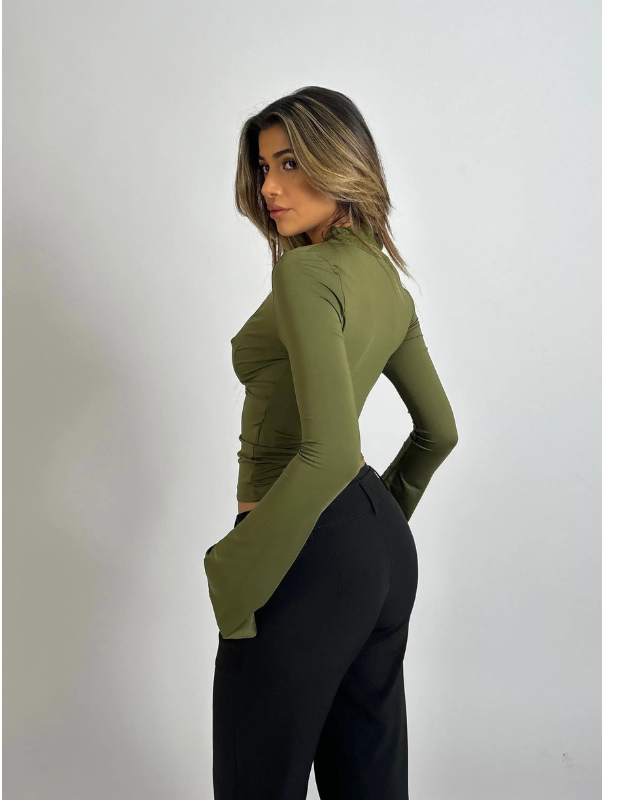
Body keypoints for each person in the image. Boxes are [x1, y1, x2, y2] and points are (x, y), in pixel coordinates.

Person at [203, 86, 459, 800]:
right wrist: (372, 532)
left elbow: (330, 451)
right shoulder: (388, 285)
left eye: (290, 163)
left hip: (299, 547)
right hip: (376, 548)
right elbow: (439, 431)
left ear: (340, 162)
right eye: (263, 166)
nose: (270, 186)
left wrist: (233, 566)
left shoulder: (306, 273)